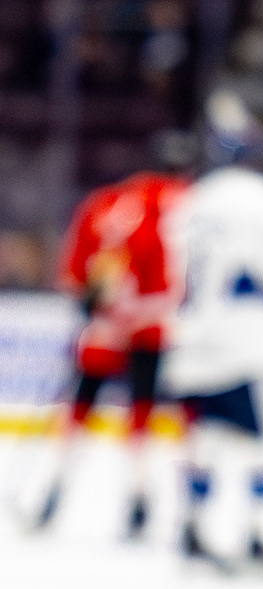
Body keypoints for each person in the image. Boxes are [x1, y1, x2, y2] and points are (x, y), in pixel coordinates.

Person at [162, 97, 263, 568]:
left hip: (194, 337)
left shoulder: (195, 199)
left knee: (206, 434)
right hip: (247, 340)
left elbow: (177, 269)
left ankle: (193, 523)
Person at [23, 147, 190, 536]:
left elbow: (74, 273)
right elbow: (173, 283)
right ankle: (138, 501)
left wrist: (96, 305)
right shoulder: (175, 205)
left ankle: (53, 494)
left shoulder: (103, 203)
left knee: (80, 410)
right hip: (147, 328)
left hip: (105, 329)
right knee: (140, 414)